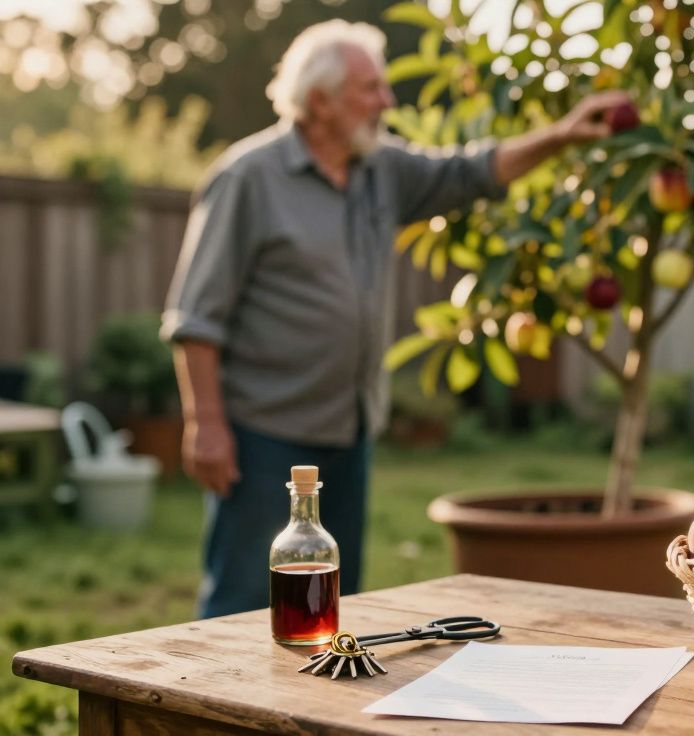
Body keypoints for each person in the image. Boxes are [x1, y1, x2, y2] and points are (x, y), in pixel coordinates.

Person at [162, 20, 627, 619]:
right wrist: (206, 423)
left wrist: (563, 135)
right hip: (263, 436)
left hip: (348, 431)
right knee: (243, 603)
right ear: (321, 100)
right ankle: (207, 713)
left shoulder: (381, 170)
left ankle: (307, 710)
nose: (387, 101)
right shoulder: (247, 178)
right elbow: (197, 316)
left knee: (330, 602)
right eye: (370, 88)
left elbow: (471, 171)